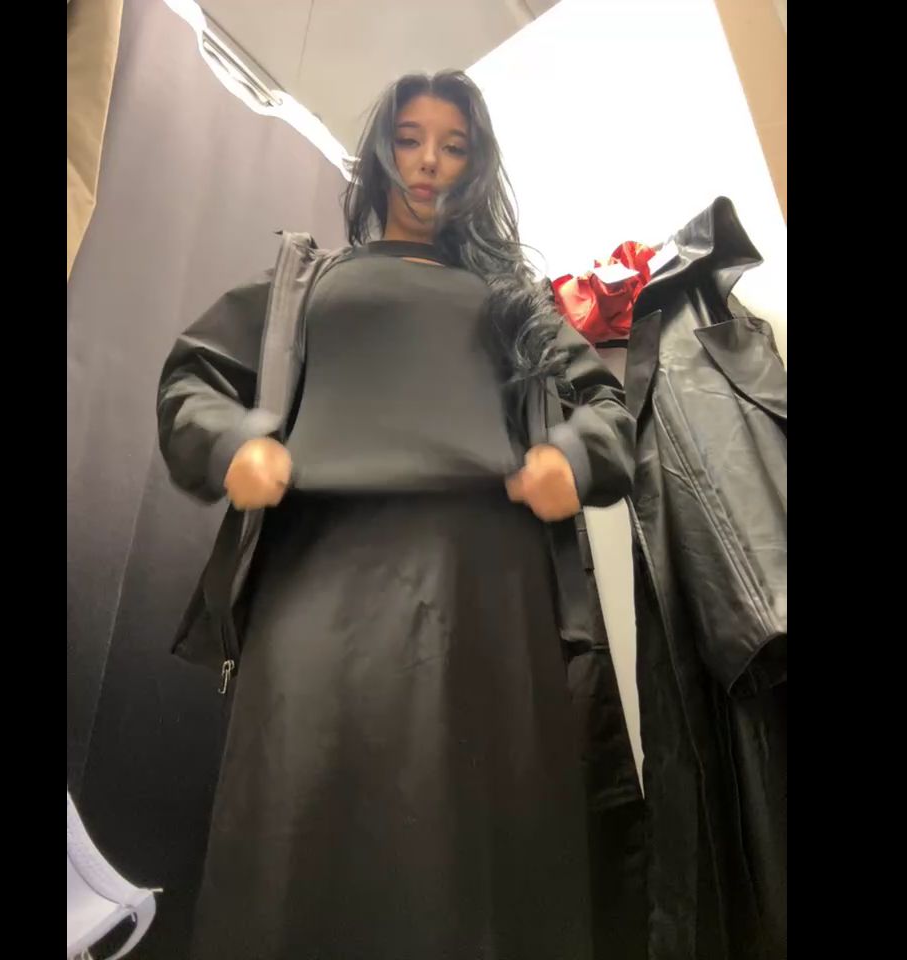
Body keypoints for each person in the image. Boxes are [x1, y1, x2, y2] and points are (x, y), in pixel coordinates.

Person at [158, 69, 634, 960]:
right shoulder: (306, 282)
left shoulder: (517, 304)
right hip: (318, 584)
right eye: (410, 139)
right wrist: (233, 447)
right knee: (296, 830)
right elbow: (193, 378)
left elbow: (607, 407)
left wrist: (570, 460)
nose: (428, 163)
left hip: (488, 594)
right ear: (380, 153)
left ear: (476, 166)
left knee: (475, 858)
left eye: (453, 146)